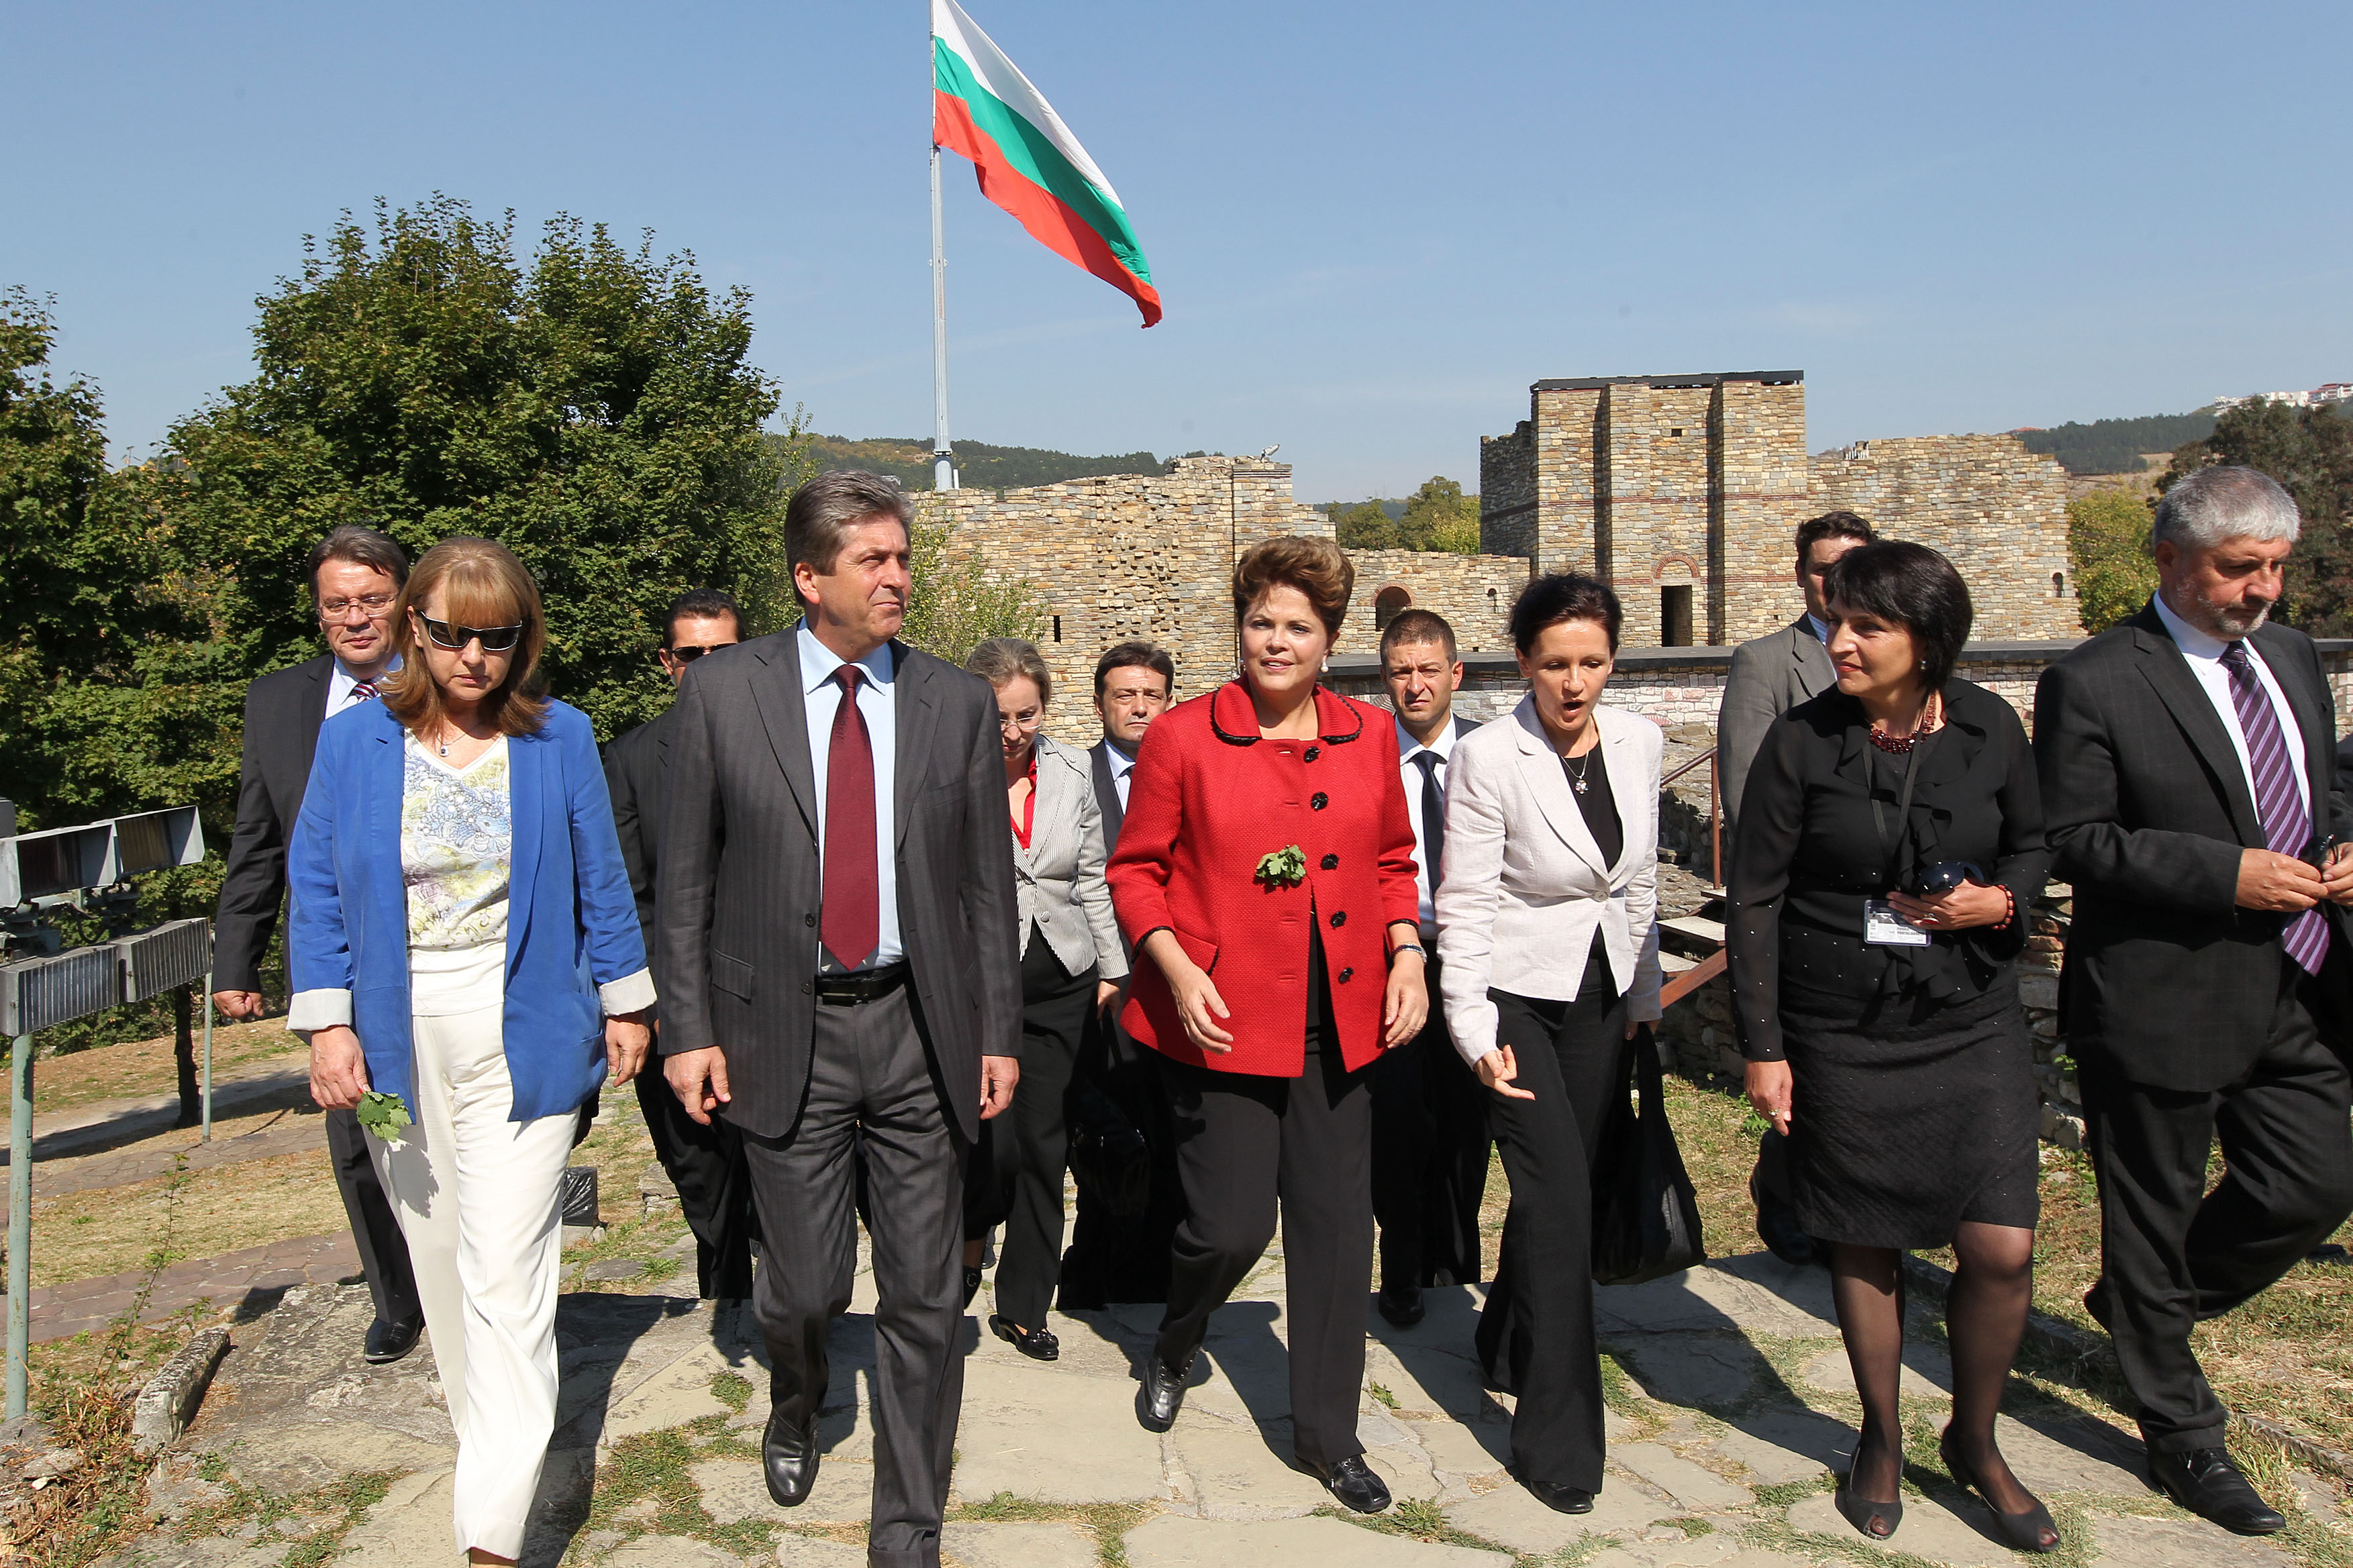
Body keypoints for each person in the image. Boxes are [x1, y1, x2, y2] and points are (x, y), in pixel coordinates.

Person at [654, 470, 1021, 1568]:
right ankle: (796, 1393)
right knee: (805, 1284)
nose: (899, 576)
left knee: (925, 1294)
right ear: (810, 578)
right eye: (875, 560)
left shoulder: (953, 702)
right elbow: (685, 880)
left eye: (903, 557)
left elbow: (984, 889)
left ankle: (907, 1525)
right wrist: (687, 1028)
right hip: (783, 1032)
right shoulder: (725, 694)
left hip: (918, 1030)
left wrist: (995, 1029)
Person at [287, 537, 654, 1563]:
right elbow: (314, 885)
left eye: (498, 638)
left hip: (526, 1025)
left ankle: (488, 1534)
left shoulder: (559, 737)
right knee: (441, 1259)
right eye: (452, 634)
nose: (474, 657)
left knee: (507, 1266)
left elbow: (602, 879)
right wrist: (327, 1022)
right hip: (397, 1036)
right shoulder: (356, 744)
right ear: (414, 627)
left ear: (521, 641)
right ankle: (490, 1445)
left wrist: (626, 1004)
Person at [2035, 465, 2353, 1537]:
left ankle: (2142, 1313)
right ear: (2170, 559)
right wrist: (2226, 873)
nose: (2260, 589)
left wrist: (2339, 843)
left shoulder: (2295, 654)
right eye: (2236, 568)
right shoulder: (2094, 679)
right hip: (2160, 995)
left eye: (2273, 567)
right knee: (2151, 1214)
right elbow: (2078, 839)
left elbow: (2323, 782)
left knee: (2313, 1184)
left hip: (2297, 979)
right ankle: (2181, 1433)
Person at [1733, 541, 2055, 1551]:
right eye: (1836, 621)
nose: (1840, 641)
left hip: (1968, 1019)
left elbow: (2036, 844)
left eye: (1867, 625)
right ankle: (1877, 1435)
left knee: (1999, 1245)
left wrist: (2002, 900)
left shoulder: (1991, 726)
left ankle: (1973, 1436)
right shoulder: (1799, 741)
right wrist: (1763, 1044)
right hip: (1841, 1028)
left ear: (1928, 640)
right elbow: (1754, 898)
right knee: (1863, 1236)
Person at [1107, 535, 1424, 1516]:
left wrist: (1407, 950)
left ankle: (1329, 1438)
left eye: (1297, 627)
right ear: (1238, 628)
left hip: (1342, 1021)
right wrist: (1170, 967)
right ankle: (1176, 1336)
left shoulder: (1370, 736)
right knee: (1229, 1225)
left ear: (1330, 641)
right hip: (1222, 1018)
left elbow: (1390, 863)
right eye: (1259, 623)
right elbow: (1136, 870)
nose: (1274, 643)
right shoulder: (1182, 736)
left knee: (1335, 1236)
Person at [1436, 574, 1662, 1516]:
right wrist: (1472, 1027)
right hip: (1514, 999)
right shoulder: (1491, 756)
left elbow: (1637, 878)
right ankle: (1559, 1434)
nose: (1574, 683)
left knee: (1564, 1185)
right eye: (1555, 663)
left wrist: (1644, 996)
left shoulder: (1643, 741)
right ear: (1522, 661)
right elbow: (1467, 899)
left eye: (1592, 662)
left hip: (1602, 993)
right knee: (1559, 1201)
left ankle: (1501, 1340)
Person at [212, 525, 423, 1365]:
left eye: (373, 600)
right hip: (338, 964)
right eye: (338, 604)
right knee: (361, 1132)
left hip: (451, 950)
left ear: (405, 604)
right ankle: (398, 1300)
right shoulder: (278, 703)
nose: (356, 618)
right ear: (318, 613)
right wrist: (238, 957)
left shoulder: (457, 682)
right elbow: (257, 839)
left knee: (460, 1128)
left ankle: (482, 1285)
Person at [957, 638, 1125, 1360]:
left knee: (1044, 1144)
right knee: (989, 1143)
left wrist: (1111, 972)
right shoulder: (944, 771)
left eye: (1026, 715)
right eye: (999, 717)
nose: (1013, 732)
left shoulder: (1070, 773)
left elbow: (1091, 877)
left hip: (1061, 978)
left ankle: (1026, 1302)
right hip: (975, 986)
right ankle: (969, 1241)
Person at [1717, 509, 1875, 1269]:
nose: (1834, 580)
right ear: (1798, 573)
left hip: (1884, 906)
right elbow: (1748, 793)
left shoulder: (1895, 658)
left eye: (1851, 565)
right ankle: (1785, 1194)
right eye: (1821, 568)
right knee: (1807, 1065)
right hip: (1803, 901)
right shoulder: (1766, 662)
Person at [603, 588, 755, 1302]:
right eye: (692, 655)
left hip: (768, 999)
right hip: (676, 1003)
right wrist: (652, 1003)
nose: (706, 667)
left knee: (776, 1167)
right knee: (698, 1170)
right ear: (668, 663)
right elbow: (629, 894)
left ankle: (785, 1310)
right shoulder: (630, 761)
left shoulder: (785, 751)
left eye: (722, 654)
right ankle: (724, 1297)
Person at [1366, 609, 1487, 1328]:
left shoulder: (1493, 752)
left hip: (1475, 960)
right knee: (1399, 1120)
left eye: (1428, 671)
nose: (1415, 686)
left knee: (1468, 1120)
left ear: (1455, 674)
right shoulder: (1365, 757)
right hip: (1392, 961)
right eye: (1400, 673)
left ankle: (1456, 1259)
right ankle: (1403, 1265)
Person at [1058, 641, 1187, 1310]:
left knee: (1173, 1136)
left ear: (1168, 700)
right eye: (1123, 695)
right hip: (1101, 989)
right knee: (1108, 1138)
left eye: (1151, 695)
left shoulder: (1193, 773)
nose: (1138, 707)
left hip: (1180, 983)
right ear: (1101, 702)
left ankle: (1157, 1280)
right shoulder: (1071, 777)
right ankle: (1090, 1274)